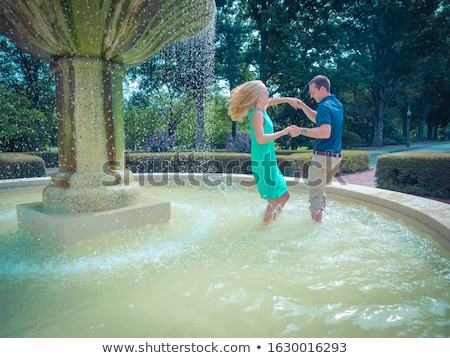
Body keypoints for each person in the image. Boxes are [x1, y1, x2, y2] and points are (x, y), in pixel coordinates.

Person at [227, 80, 297, 223]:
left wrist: (287, 99)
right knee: (274, 201)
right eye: (266, 90)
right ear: (260, 94)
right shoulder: (256, 114)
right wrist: (283, 132)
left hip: (269, 161)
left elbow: (269, 102)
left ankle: (271, 222)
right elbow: (261, 139)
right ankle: (265, 228)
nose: (268, 92)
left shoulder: (262, 109)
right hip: (263, 162)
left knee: (284, 196)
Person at [291, 75, 344, 223]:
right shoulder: (336, 104)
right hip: (335, 159)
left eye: (313, 92)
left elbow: (325, 131)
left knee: (315, 201)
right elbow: (319, 119)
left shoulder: (323, 106)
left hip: (321, 159)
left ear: (322, 89)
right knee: (320, 194)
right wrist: (303, 106)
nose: (311, 95)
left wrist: (301, 131)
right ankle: (322, 222)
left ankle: (317, 231)